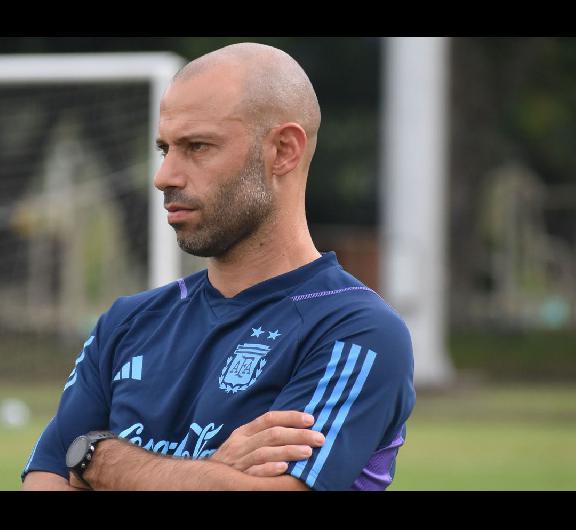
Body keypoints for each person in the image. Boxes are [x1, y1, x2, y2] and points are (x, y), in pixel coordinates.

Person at [21, 42, 415, 491]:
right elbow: (45, 481)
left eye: (197, 146)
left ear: (284, 151)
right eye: (165, 148)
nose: (164, 175)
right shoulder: (126, 323)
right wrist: (212, 471)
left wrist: (101, 459)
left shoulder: (354, 330)